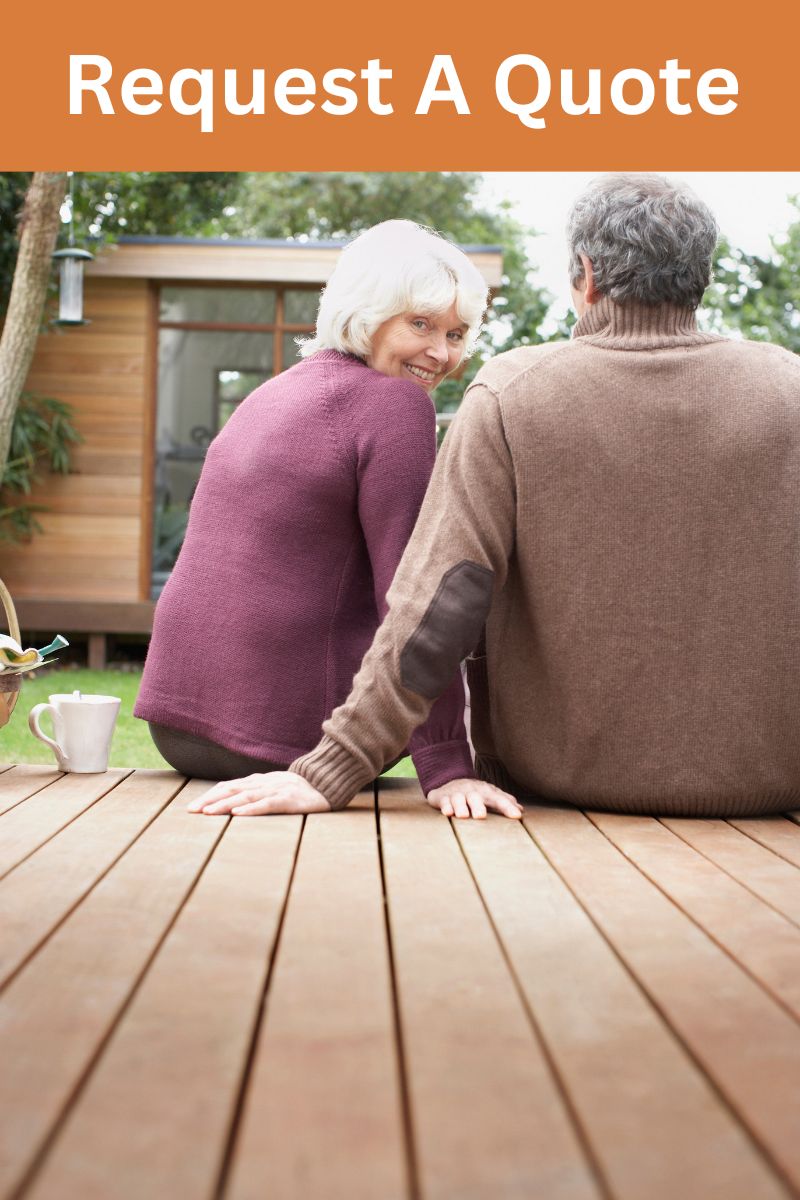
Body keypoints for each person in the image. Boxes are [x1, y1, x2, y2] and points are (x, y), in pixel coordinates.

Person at [193, 173, 800, 823]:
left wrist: (334, 767)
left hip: (566, 786)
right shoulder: (788, 389)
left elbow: (439, 601)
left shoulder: (515, 392)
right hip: (768, 787)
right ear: (700, 279)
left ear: (585, 275)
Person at [136, 219, 519, 818]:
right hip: (282, 737)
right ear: (370, 312)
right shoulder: (394, 404)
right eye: (420, 324)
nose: (442, 354)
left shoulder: (274, 393)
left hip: (177, 729)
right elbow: (416, 596)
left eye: (457, 332)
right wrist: (446, 764)